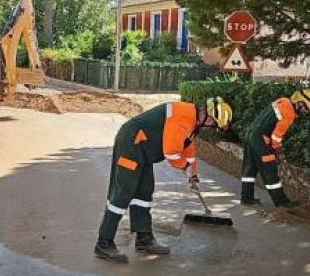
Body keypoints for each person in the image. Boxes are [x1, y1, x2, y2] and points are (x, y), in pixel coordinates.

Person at [94, 97, 233, 263]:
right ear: (210, 118)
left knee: (144, 193)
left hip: (143, 151)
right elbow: (172, 153)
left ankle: (144, 238)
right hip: (131, 144)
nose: (210, 126)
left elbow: (188, 148)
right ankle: (104, 242)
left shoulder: (192, 121)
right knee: (124, 192)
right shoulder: (183, 117)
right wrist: (184, 167)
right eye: (212, 124)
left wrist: (193, 175)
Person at [241, 89, 310, 207]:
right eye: (306, 108)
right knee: (269, 170)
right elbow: (276, 137)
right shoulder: (290, 113)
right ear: (300, 102)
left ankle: (246, 198)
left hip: (250, 133)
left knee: (249, 167)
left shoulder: (282, 100)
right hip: (261, 140)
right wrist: (279, 151)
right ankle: (282, 203)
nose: (305, 111)